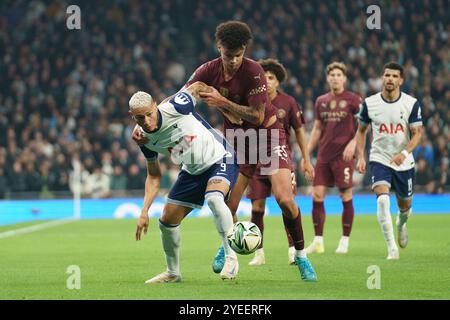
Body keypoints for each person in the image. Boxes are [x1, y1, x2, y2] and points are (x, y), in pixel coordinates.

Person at [134, 21, 317, 281]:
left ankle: (301, 256)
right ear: (219, 48)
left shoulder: (254, 71)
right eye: (227, 55)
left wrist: (222, 101)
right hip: (237, 141)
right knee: (227, 204)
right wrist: (152, 121)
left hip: (267, 137)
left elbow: (256, 115)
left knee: (285, 201)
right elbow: (178, 97)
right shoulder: (207, 70)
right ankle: (227, 247)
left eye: (238, 55)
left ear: (245, 50)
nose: (232, 61)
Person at [132, 81, 240, 282]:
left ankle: (231, 258)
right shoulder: (144, 139)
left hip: (220, 157)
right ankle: (173, 273)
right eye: (140, 117)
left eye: (149, 113)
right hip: (192, 171)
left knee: (215, 199)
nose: (146, 120)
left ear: (155, 106)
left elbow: (198, 85)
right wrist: (144, 210)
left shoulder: (175, 106)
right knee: (166, 222)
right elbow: (154, 175)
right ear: (133, 117)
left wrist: (226, 107)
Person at [246, 58, 314, 266]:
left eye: (271, 78)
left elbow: (300, 132)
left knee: (286, 203)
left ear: (278, 82)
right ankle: (259, 252)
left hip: (280, 158)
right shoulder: (251, 100)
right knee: (257, 208)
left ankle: (293, 249)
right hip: (256, 159)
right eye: (263, 77)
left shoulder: (289, 103)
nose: (266, 80)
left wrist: (306, 158)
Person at [355, 62, 423, 260]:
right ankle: (391, 248)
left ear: (401, 80)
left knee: (405, 206)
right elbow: (361, 131)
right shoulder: (369, 103)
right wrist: (361, 156)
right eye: (387, 75)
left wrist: (405, 152)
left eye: (394, 76)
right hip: (379, 158)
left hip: (404, 162)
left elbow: (417, 133)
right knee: (383, 200)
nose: (390, 79)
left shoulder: (411, 103)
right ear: (382, 78)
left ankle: (401, 223)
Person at [304, 62, 361, 254]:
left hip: (343, 155)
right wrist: (307, 153)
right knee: (317, 195)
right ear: (328, 78)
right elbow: (318, 128)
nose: (335, 77)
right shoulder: (321, 101)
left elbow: (364, 127)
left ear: (344, 78)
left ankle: (344, 240)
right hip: (324, 155)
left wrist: (354, 144)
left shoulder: (353, 100)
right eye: (332, 75)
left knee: (345, 194)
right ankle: (318, 241)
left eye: (339, 74)